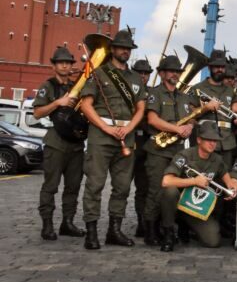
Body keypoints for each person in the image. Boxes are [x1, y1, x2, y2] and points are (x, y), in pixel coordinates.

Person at [77, 28, 148, 250]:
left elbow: (141, 108)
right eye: (121, 48)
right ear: (114, 49)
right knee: (95, 184)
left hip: (125, 137)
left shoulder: (136, 78)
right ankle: (91, 232)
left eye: (128, 49)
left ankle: (114, 231)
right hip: (101, 136)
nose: (125, 51)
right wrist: (106, 128)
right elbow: (86, 106)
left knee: (122, 187)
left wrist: (128, 128)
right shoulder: (99, 74)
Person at [142, 55, 207, 246]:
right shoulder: (155, 93)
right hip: (158, 150)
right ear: (162, 73)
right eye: (171, 71)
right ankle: (150, 231)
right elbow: (152, 120)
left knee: (176, 191)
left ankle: (168, 229)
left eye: (177, 72)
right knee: (156, 191)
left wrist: (190, 125)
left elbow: (190, 118)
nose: (175, 74)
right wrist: (177, 129)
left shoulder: (184, 96)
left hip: (178, 151)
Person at [32, 46, 86, 241]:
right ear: (54, 66)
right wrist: (57, 103)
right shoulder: (49, 86)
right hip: (56, 142)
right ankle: (47, 225)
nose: (65, 65)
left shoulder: (76, 87)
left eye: (68, 62)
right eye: (61, 62)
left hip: (76, 143)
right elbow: (37, 112)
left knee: (73, 186)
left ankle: (67, 223)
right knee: (51, 186)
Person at [158, 123, 237, 251]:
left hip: (196, 207)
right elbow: (166, 181)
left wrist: (231, 189)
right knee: (170, 191)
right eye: (208, 140)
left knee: (213, 241)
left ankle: (189, 227)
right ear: (199, 140)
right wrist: (194, 181)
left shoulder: (217, 159)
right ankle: (169, 232)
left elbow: (228, 179)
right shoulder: (185, 155)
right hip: (178, 204)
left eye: (215, 141)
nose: (212, 144)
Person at [130, 57, 153, 238]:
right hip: (127, 144)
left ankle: (141, 222)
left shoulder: (152, 93)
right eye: (140, 73)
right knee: (120, 188)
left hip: (144, 147)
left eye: (146, 73)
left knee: (143, 188)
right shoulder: (126, 92)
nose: (143, 76)